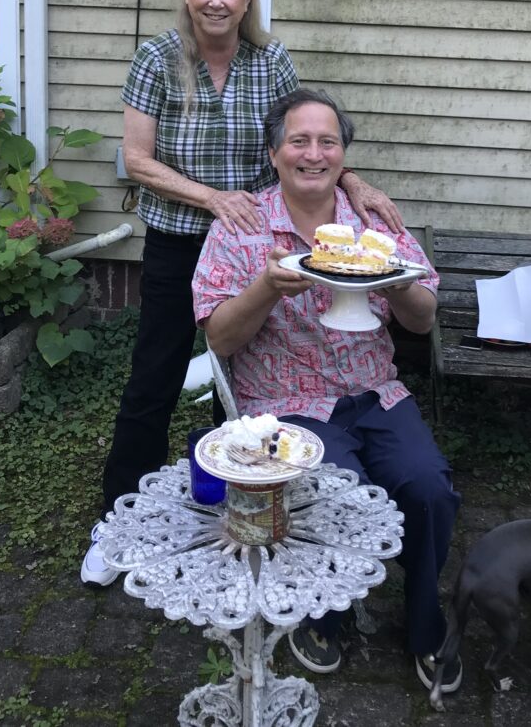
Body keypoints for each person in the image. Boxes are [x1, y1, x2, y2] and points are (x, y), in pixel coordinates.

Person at [80, 0, 403, 587]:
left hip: (260, 239)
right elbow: (139, 160)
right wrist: (212, 197)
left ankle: (248, 497)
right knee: (155, 380)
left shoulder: (270, 61)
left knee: (251, 375)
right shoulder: (157, 59)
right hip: (178, 238)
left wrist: (353, 183)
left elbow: (303, 138)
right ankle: (115, 527)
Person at [191, 87, 462, 695]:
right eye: (299, 140)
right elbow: (220, 339)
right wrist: (264, 288)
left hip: (376, 393)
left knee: (430, 492)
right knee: (346, 495)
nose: (313, 154)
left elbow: (422, 319)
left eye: (327, 142)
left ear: (344, 155)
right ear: (274, 152)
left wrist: (394, 282)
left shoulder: (373, 222)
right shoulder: (242, 227)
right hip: (285, 405)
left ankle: (425, 622)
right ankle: (326, 615)